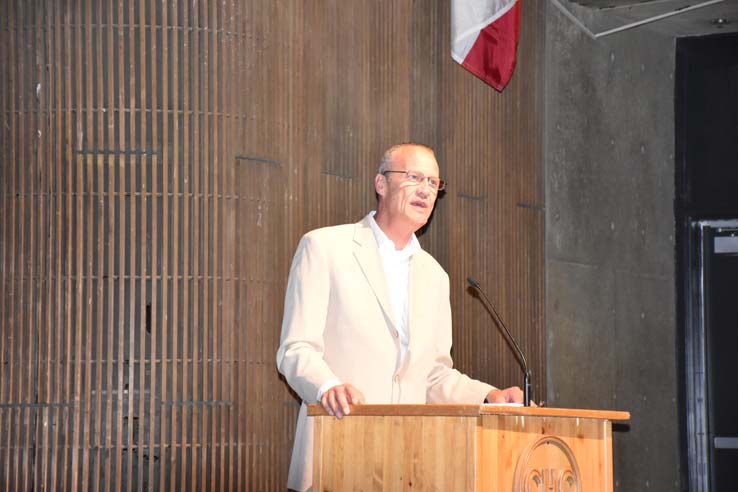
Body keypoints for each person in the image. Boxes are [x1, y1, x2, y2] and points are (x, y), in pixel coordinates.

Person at [276, 143, 523, 491]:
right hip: (336, 455)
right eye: (414, 177)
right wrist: (328, 386)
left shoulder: (436, 276)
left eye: (434, 184)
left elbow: (434, 376)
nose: (426, 190)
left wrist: (488, 396)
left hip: (408, 469)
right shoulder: (325, 248)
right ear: (381, 183)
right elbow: (295, 348)